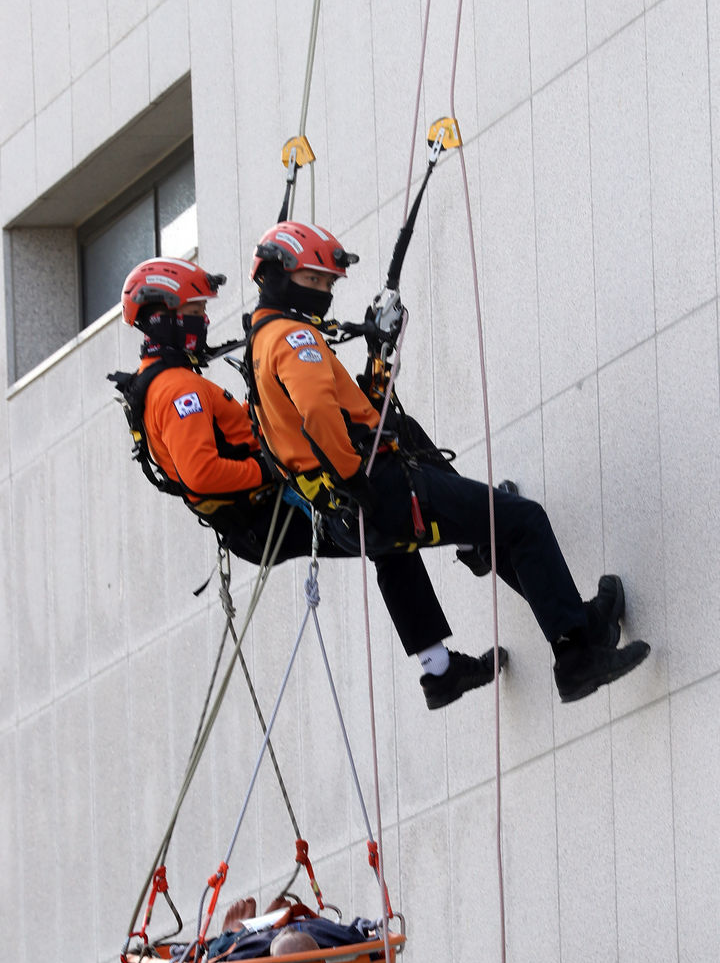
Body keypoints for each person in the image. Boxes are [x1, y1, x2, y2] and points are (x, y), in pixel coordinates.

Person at [245, 220, 651, 704]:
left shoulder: (262, 342)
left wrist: (379, 352)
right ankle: (577, 655)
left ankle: (583, 627)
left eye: (329, 283)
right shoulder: (293, 338)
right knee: (522, 522)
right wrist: (356, 478)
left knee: (497, 526)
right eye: (315, 280)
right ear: (276, 273)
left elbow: (353, 414)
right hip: (379, 490)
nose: (325, 292)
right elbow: (316, 413)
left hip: (342, 511)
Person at [111, 256, 504, 709]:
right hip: (271, 512)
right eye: (196, 313)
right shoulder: (178, 391)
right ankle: (476, 541)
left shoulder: (160, 384)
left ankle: (440, 670)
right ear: (164, 317)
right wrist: (276, 466)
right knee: (382, 521)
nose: (203, 322)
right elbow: (202, 473)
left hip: (262, 515)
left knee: (384, 533)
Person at [206, 895, 373, 961]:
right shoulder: (327, 936)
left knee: (220, 947)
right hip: (300, 929)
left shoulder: (243, 954)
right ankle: (263, 924)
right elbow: (359, 935)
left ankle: (243, 928)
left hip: (254, 943)